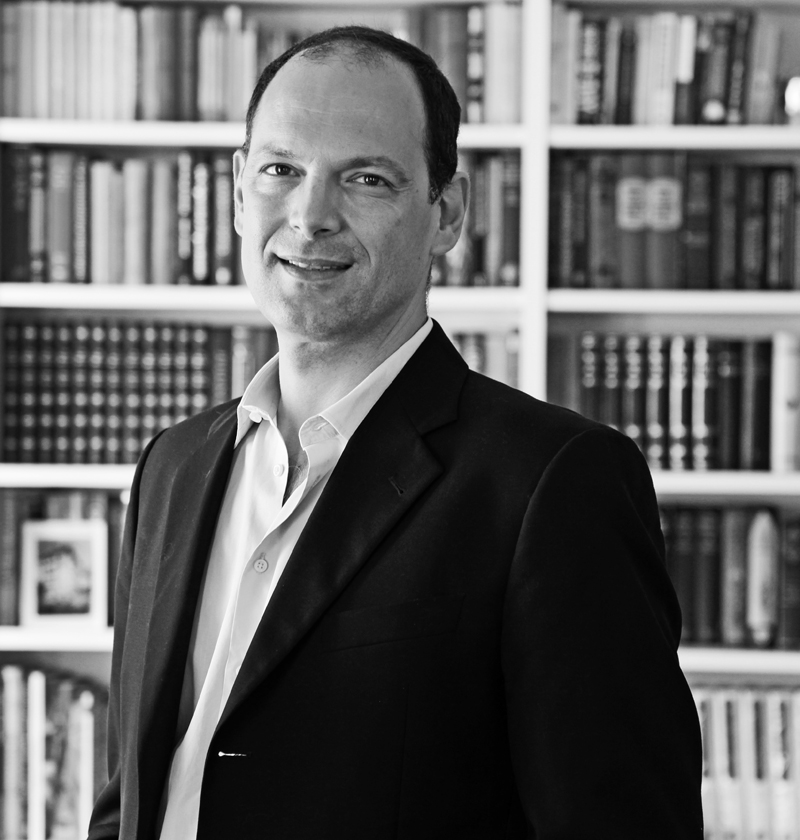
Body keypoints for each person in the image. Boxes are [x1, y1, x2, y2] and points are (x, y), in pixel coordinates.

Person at [88, 26, 703, 840]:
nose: (310, 217)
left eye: (367, 179)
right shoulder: (172, 466)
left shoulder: (553, 483)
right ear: (237, 191)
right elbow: (131, 796)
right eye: (281, 170)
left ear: (447, 213)